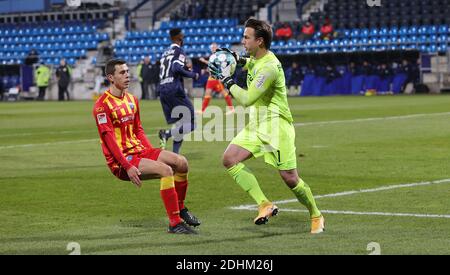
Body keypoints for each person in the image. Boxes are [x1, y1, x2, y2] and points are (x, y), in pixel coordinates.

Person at [208, 18, 324, 234]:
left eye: (246, 37)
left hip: (276, 127)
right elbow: (250, 63)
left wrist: (227, 80)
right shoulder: (257, 58)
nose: (242, 41)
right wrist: (235, 59)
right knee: (229, 159)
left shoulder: (270, 68)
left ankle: (316, 214)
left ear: (259, 41)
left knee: (290, 178)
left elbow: (247, 99)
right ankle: (264, 204)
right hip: (257, 125)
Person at [93, 59, 201, 234]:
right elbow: (109, 139)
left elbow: (138, 130)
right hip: (121, 161)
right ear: (111, 77)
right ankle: (174, 224)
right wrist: (127, 166)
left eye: (128, 71)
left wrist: (151, 152)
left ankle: (180, 210)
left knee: (182, 162)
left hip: (139, 151)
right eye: (122, 73)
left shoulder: (132, 100)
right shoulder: (102, 106)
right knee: (166, 170)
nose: (127, 75)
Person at [157, 28, 200, 154]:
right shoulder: (179, 50)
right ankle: (166, 134)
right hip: (174, 89)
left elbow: (171, 68)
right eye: (183, 36)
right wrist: (192, 74)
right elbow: (176, 68)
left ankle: (175, 155)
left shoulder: (165, 53)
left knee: (180, 124)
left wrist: (184, 68)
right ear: (179, 38)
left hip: (163, 90)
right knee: (192, 124)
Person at [198, 42, 235, 115]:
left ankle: (231, 109)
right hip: (210, 79)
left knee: (224, 93)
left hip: (215, 79)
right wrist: (205, 70)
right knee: (207, 94)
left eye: (214, 47)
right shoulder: (213, 56)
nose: (213, 49)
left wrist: (204, 61)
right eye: (212, 48)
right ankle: (203, 110)